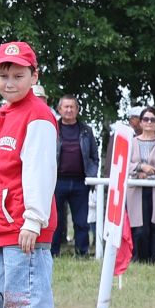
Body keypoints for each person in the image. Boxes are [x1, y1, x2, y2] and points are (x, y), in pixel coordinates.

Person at [0, 42, 58, 308]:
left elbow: (40, 172)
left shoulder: (37, 116)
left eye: (18, 75)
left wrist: (33, 220)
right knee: (8, 303)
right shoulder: (3, 114)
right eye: (3, 74)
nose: (9, 82)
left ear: (34, 75)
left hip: (24, 228)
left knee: (26, 300)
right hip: (3, 227)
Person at [50, 96, 98, 259]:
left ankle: (82, 253)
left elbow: (94, 156)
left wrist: (92, 174)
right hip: (57, 181)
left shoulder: (86, 130)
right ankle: (53, 253)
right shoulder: (52, 128)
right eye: (66, 107)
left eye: (72, 107)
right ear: (59, 110)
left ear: (77, 110)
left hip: (80, 182)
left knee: (81, 221)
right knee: (54, 220)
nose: (69, 110)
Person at [129, 107, 155, 263]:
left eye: (152, 119)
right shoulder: (131, 143)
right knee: (139, 228)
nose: (149, 122)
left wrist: (153, 171)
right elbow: (125, 164)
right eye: (145, 119)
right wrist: (140, 167)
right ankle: (138, 259)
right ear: (140, 122)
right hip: (136, 191)